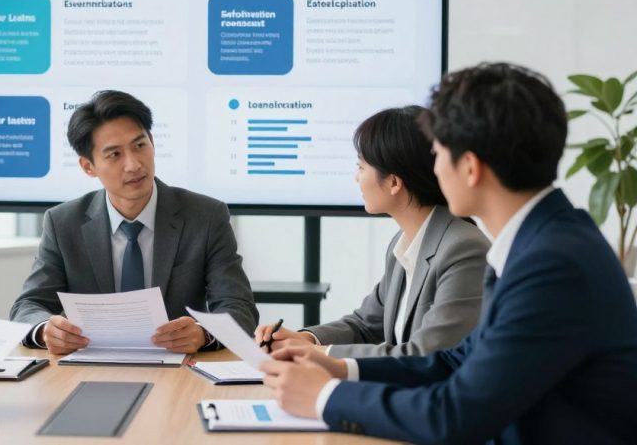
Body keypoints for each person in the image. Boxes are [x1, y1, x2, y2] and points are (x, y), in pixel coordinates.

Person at [260, 63, 637, 445]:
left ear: (470, 167)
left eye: (438, 153)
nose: (435, 169)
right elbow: (452, 361)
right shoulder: (539, 243)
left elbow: (456, 414)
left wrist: (324, 396)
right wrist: (339, 368)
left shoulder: (553, 266)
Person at [10, 90, 258, 354]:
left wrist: (203, 334)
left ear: (152, 142)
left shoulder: (206, 216)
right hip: (91, 366)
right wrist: (46, 330)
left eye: (140, 145)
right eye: (114, 154)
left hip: (179, 367)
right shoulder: (63, 223)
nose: (133, 165)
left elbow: (238, 306)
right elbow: (28, 306)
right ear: (88, 166)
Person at [255, 106, 489, 357]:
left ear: (394, 182)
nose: (356, 178)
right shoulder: (403, 245)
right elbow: (365, 325)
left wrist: (319, 354)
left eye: (361, 167)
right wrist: (305, 338)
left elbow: (425, 354)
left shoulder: (462, 249)